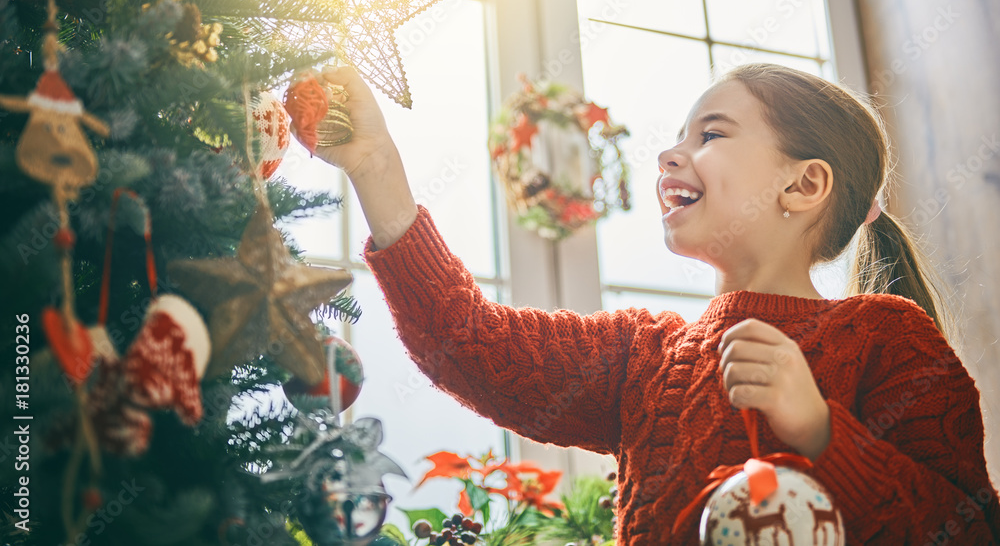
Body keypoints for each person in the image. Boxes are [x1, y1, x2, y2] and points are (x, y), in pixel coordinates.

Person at [305, 63, 1000, 544]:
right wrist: (376, 165)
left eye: (713, 133)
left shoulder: (884, 334)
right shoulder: (646, 355)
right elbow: (469, 341)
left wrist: (821, 431)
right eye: (677, 136)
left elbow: (968, 530)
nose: (671, 154)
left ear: (804, 185)